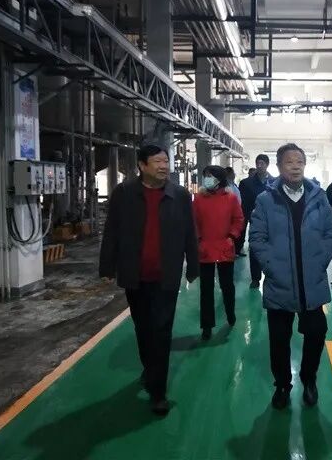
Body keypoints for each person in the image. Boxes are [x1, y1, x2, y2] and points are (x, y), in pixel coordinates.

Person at [99, 143, 199, 415]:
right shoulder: (124, 194)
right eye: (157, 161)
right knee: (143, 329)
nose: (164, 166)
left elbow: (190, 232)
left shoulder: (179, 195)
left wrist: (193, 265)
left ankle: (158, 392)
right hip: (135, 275)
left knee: (162, 331)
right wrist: (107, 266)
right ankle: (150, 369)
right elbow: (112, 230)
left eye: (166, 161)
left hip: (166, 275)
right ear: (142, 166)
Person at [249, 143, 332, 409]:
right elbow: (257, 238)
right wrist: (272, 268)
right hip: (280, 284)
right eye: (289, 162)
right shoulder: (266, 200)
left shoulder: (319, 197)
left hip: (312, 282)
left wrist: (320, 262)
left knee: (317, 331)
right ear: (278, 166)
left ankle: (309, 379)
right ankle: (282, 385)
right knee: (279, 339)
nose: (295, 166)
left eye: (300, 161)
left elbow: (330, 233)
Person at [193, 165, 244, 340]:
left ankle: (230, 314)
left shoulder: (230, 198)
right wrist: (198, 239)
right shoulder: (198, 199)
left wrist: (232, 236)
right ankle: (207, 325)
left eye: (210, 176)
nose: (207, 179)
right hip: (205, 249)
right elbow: (193, 221)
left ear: (219, 179)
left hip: (225, 247)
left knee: (227, 285)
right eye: (205, 175)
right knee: (206, 289)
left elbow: (238, 219)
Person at [239, 154, 275, 288]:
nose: (259, 166)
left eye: (262, 163)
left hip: (272, 221)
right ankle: (255, 278)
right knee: (255, 248)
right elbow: (244, 205)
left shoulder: (275, 182)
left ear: (267, 165)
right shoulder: (246, 183)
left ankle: (272, 275)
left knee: (272, 248)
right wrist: (244, 221)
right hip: (255, 221)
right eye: (257, 163)